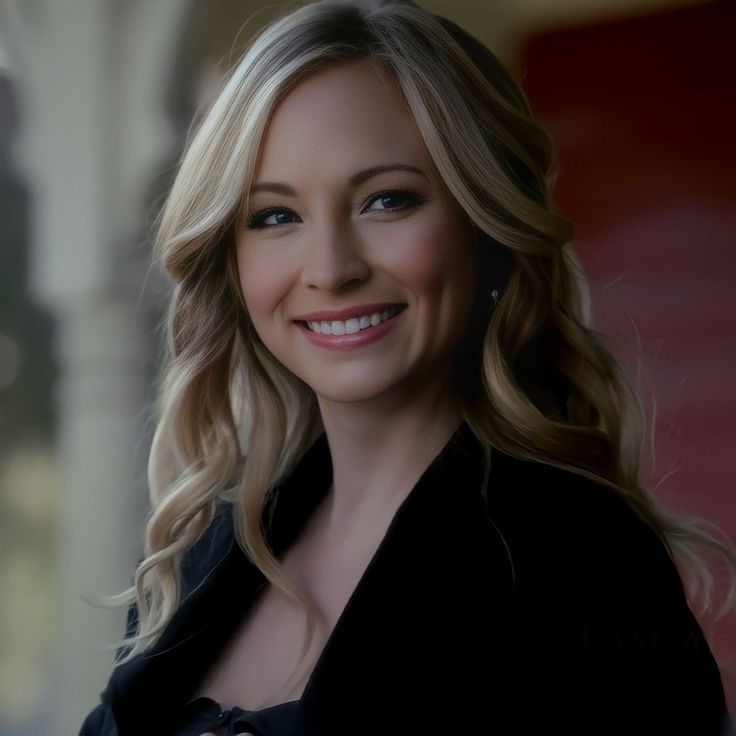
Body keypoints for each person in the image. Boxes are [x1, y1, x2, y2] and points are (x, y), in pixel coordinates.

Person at [80, 0, 735, 734]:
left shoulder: (585, 568)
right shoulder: (206, 550)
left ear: (485, 226)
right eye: (273, 216)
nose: (329, 269)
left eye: (387, 201)